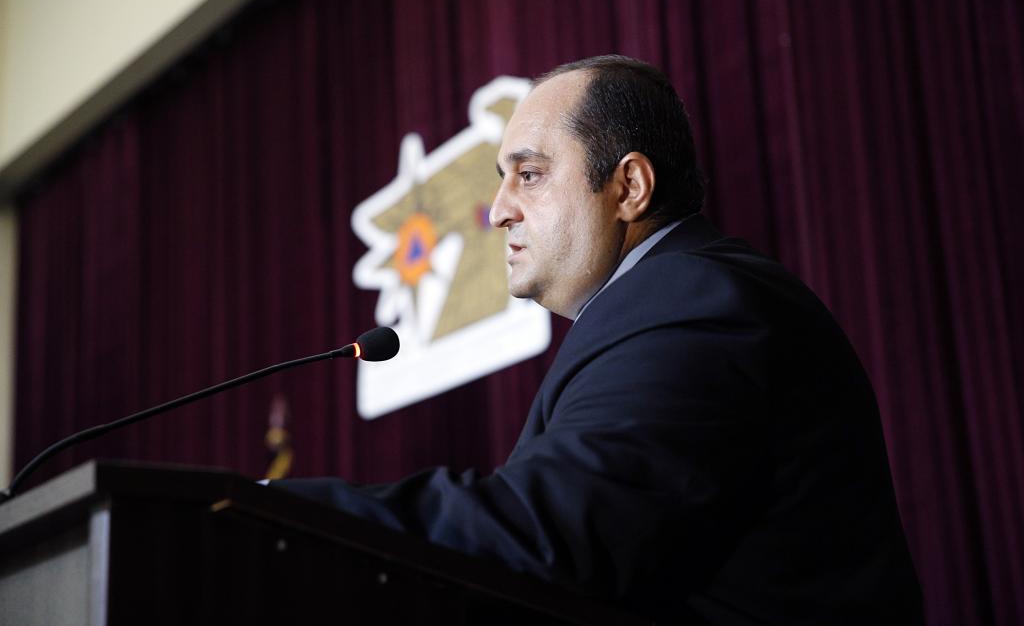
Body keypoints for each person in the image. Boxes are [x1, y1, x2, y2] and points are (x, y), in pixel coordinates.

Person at [273, 55, 923, 624]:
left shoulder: (690, 299)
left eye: (529, 175)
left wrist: (271, 512)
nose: (497, 211)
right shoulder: (674, 298)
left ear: (629, 187)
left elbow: (552, 534)